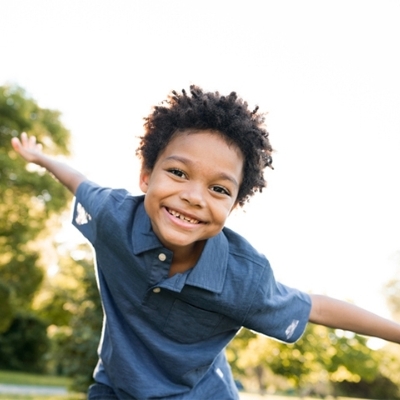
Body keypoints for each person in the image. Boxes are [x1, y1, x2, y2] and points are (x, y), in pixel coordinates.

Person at [11, 86, 400, 400]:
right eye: (178, 172)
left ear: (234, 204)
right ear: (146, 175)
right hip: (116, 388)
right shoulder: (114, 217)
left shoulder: (243, 278)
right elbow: (79, 181)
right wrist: (41, 158)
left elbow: (316, 307)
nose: (195, 197)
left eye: (218, 188)